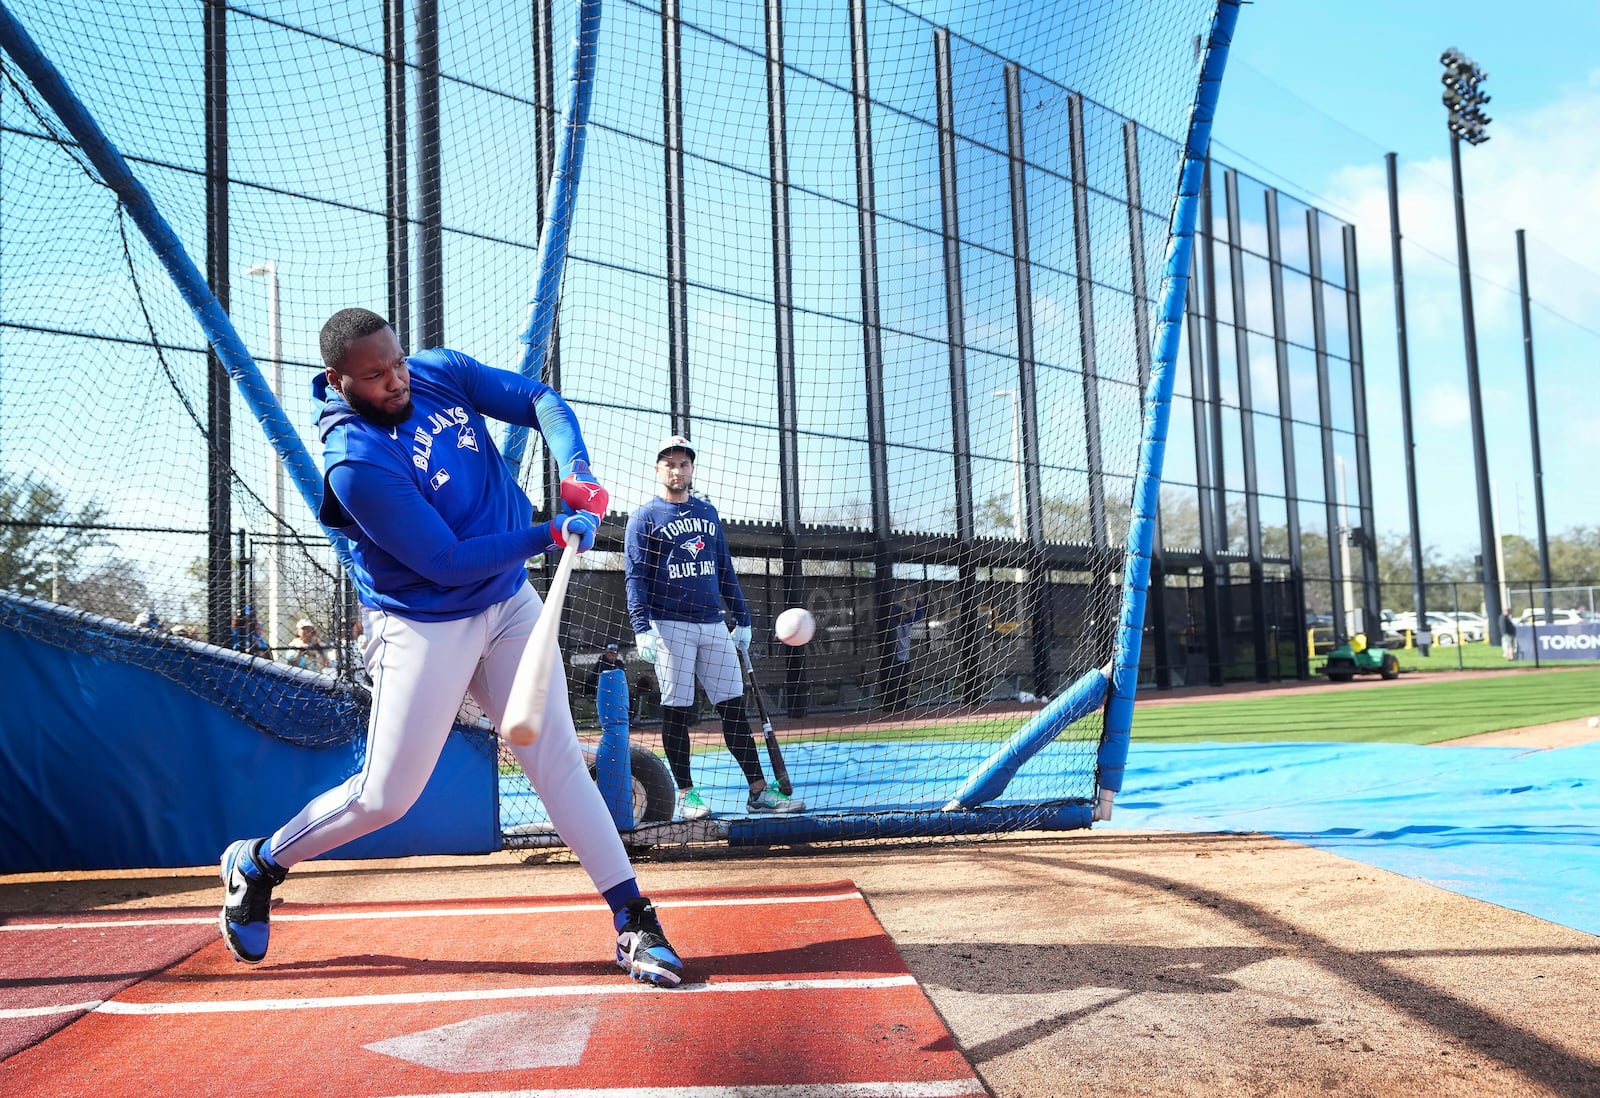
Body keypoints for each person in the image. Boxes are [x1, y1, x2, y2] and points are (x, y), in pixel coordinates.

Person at [218, 308, 683, 988]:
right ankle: (258, 862)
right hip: (423, 619)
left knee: (554, 759)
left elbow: (537, 400)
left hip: (508, 600)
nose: (397, 380)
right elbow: (444, 559)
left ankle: (634, 917)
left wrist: (574, 467)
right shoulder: (354, 462)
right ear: (337, 380)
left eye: (398, 363)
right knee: (386, 797)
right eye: (376, 376)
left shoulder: (436, 372)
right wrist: (550, 534)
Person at [624, 435, 804, 820]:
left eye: (684, 463)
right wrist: (642, 626)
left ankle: (758, 791)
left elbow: (724, 568)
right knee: (677, 710)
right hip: (669, 625)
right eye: (669, 463)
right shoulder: (644, 518)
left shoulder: (707, 513)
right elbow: (635, 577)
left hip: (712, 623)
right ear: (658, 469)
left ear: (692, 469)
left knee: (733, 709)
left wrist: (743, 617)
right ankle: (688, 794)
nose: (678, 469)